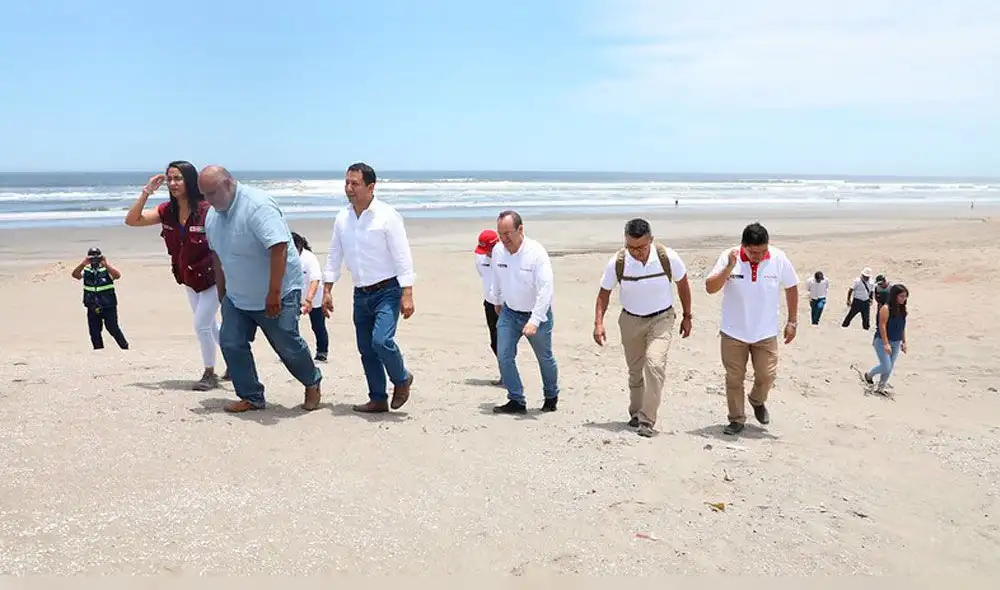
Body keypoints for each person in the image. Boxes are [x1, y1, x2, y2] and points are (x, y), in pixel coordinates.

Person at [200, 165, 322, 413]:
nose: (209, 200)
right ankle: (252, 396)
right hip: (237, 294)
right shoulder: (213, 215)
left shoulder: (257, 206)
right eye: (204, 195)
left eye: (212, 193)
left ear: (229, 183)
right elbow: (216, 255)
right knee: (231, 342)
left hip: (278, 291)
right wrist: (222, 293)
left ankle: (312, 381)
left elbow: (278, 248)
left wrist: (274, 293)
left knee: (287, 344)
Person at [123, 160, 227, 390]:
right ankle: (235, 359)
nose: (172, 183)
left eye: (178, 178)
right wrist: (147, 192)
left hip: (212, 278)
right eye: (169, 179)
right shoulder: (167, 212)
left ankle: (210, 373)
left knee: (201, 324)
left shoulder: (207, 210)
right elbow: (131, 220)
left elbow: (226, 241)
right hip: (188, 279)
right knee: (210, 325)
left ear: (190, 180)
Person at [322, 162, 415, 413]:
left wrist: (408, 293)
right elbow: (334, 254)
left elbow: (402, 255)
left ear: (371, 187)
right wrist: (327, 288)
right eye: (347, 182)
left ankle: (402, 378)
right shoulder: (343, 218)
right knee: (366, 349)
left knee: (381, 341)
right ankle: (377, 398)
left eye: (355, 183)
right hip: (360, 292)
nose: (349, 188)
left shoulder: (387, 216)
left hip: (388, 290)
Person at [593, 218, 693, 437]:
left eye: (641, 247)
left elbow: (683, 283)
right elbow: (604, 293)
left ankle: (647, 420)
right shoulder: (618, 262)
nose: (636, 252)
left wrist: (687, 315)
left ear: (651, 240)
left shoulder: (667, 257)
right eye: (631, 247)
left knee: (654, 365)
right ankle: (636, 413)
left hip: (662, 318)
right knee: (635, 371)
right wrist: (598, 323)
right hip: (630, 321)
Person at [704, 222, 799, 436]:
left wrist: (792, 321)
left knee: (766, 375)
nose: (758, 256)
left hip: (765, 332)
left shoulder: (778, 258)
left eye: (762, 251)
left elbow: (791, 287)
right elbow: (710, 288)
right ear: (743, 246)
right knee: (734, 378)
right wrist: (728, 268)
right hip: (733, 332)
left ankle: (757, 400)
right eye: (753, 252)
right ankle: (736, 419)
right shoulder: (729, 257)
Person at [488, 210, 559, 414]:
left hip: (537, 314)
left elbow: (546, 290)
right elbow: (497, 278)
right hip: (509, 312)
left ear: (520, 229)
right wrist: (498, 300)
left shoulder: (536, 253)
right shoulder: (498, 251)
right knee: (503, 355)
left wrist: (535, 320)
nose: (504, 239)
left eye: (508, 233)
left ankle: (551, 395)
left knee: (544, 357)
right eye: (500, 234)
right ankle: (516, 399)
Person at [71, 247, 129, 350]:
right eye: (92, 257)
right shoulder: (87, 271)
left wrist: (106, 264)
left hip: (108, 305)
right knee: (94, 331)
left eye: (96, 257)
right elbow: (75, 275)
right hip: (92, 305)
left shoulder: (105, 270)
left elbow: (117, 275)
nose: (94, 260)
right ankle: (99, 351)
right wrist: (83, 264)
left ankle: (124, 347)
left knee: (113, 328)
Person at [863, 283, 909, 394]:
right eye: (901, 296)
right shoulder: (885, 308)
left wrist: (904, 342)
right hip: (882, 341)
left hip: (896, 341)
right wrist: (885, 343)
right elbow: (882, 326)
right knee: (886, 366)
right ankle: (869, 375)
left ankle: (881, 387)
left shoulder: (902, 309)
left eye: (905, 296)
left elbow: (902, 326)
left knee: (890, 367)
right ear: (895, 296)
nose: (904, 298)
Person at [292, 231, 329, 362]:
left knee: (317, 325)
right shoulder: (285, 257)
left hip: (314, 297)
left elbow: (315, 279)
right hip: (295, 296)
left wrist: (309, 300)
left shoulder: (309, 258)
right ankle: (292, 351)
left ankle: (322, 352)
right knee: (290, 324)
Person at [474, 228, 501, 383]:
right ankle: (505, 373)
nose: (486, 253)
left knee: (506, 343)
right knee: (495, 342)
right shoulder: (480, 258)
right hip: (490, 303)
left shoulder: (506, 256)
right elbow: (483, 275)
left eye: (488, 249)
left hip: (507, 304)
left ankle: (509, 374)